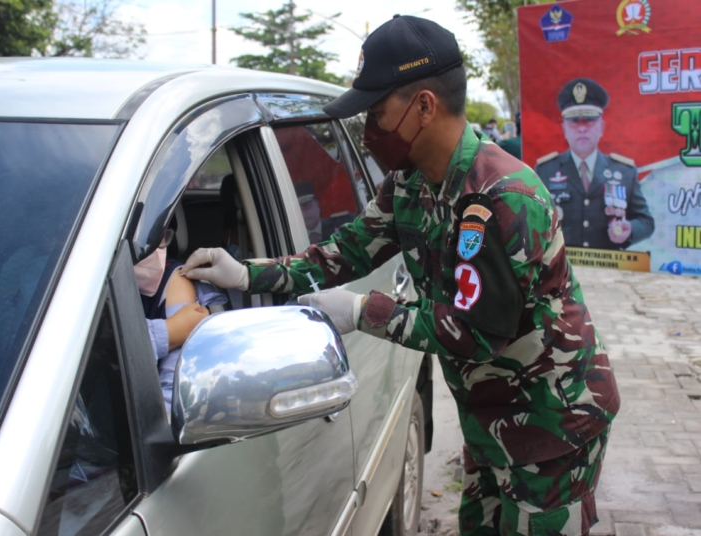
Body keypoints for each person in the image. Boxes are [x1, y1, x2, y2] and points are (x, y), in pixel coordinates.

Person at [180, 15, 620, 535]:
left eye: (375, 112)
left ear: (424, 107)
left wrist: (363, 311)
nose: (367, 132)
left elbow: (478, 332)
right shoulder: (409, 184)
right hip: (492, 423)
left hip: (554, 424)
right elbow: (342, 254)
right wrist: (247, 274)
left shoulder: (507, 198)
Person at [535, 78, 654, 250]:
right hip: (561, 269)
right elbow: (532, 219)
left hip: (610, 271)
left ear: (602, 127)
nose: (582, 128)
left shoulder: (624, 171)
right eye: (574, 121)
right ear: (564, 130)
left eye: (589, 120)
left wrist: (630, 230)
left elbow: (646, 221)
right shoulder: (545, 170)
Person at [134, 227, 227, 413]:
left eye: (162, 237)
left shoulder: (173, 280)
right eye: (149, 236)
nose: (158, 245)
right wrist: (168, 332)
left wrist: (247, 275)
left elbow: (174, 397)